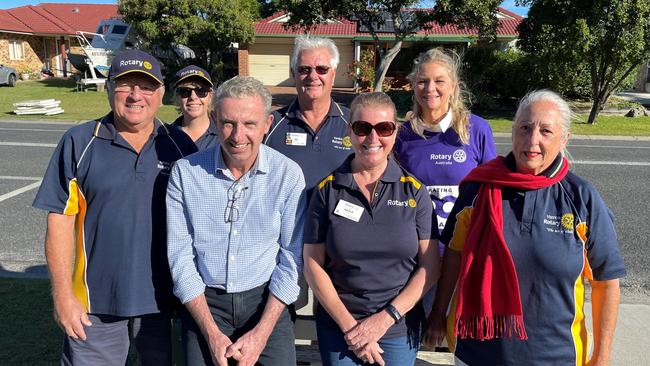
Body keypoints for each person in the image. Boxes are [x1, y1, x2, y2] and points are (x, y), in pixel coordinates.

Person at [425, 90, 626, 366]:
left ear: (564, 139)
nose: (533, 140)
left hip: (556, 357)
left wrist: (601, 357)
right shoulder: (478, 189)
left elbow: (607, 281)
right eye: (525, 128)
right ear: (513, 132)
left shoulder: (581, 198)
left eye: (546, 131)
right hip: (476, 353)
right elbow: (454, 256)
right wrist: (438, 312)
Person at [32, 49, 197, 365]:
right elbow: (60, 223)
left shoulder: (180, 145)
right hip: (95, 306)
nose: (136, 95)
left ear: (161, 93)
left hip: (168, 303)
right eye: (125, 85)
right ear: (108, 88)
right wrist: (63, 297)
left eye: (146, 86)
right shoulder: (79, 142)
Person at [166, 76, 306, 366]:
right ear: (215, 119)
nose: (238, 135)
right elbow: (180, 256)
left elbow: (291, 258)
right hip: (205, 303)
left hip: (265, 301)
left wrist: (262, 332)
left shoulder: (287, 175)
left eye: (250, 124)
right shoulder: (185, 174)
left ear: (267, 124)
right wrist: (211, 332)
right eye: (228, 123)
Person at [303, 92, 441, 366]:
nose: (373, 138)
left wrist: (383, 320)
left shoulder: (415, 192)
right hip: (340, 329)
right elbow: (312, 263)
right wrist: (351, 329)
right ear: (350, 131)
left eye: (384, 128)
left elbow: (431, 266)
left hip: (398, 329)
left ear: (395, 131)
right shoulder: (326, 190)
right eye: (362, 128)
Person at [264, 35, 352, 200]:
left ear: (333, 74)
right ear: (293, 74)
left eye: (322, 69)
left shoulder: (355, 125)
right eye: (304, 69)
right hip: (288, 224)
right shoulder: (270, 124)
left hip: (336, 224)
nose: (313, 76)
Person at [171, 65, 218, 150]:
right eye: (185, 92)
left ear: (210, 96)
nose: (193, 97)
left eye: (201, 91)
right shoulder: (165, 137)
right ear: (177, 97)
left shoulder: (224, 134)